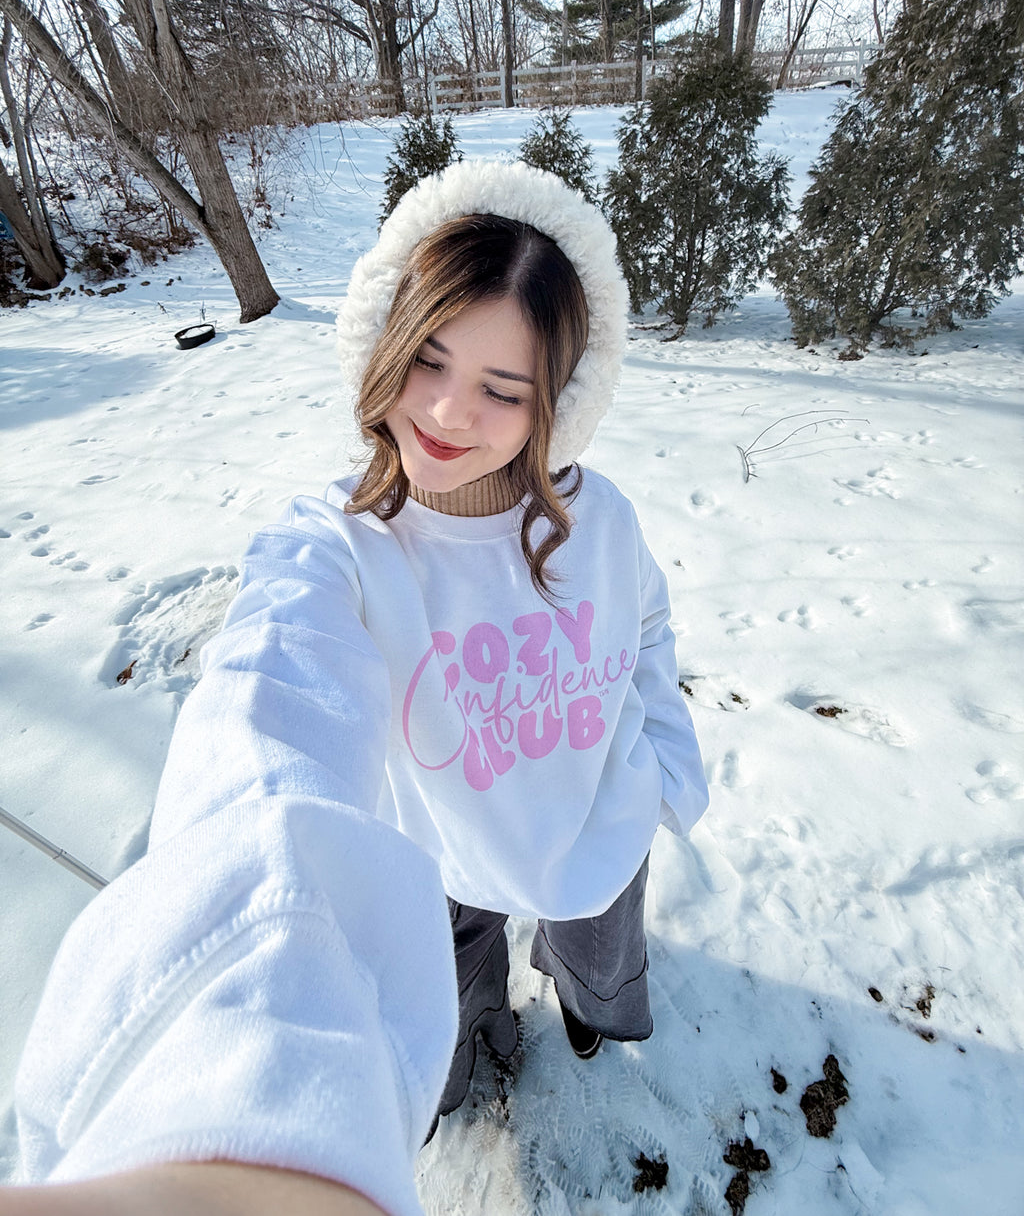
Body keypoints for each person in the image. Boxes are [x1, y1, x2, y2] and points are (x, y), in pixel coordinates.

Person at [5, 159, 707, 1212]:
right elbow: (269, 711)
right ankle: (458, 1060)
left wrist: (658, 762)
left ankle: (588, 1012)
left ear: (555, 400)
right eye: (427, 358)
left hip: (597, 837)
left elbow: (644, 621)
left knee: (599, 956)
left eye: (501, 390)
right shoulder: (334, 547)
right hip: (446, 861)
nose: (446, 412)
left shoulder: (593, 514)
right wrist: (232, 1087)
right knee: (448, 995)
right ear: (387, 337)